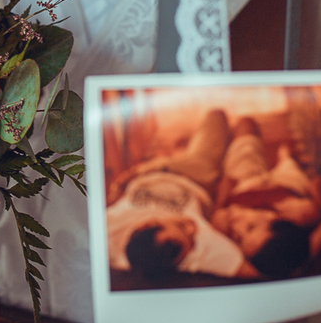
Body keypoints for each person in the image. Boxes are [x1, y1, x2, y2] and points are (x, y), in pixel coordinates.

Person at [106, 110, 260, 283]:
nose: (193, 228)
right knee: (235, 123)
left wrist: (119, 189)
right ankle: (181, 148)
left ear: (145, 225)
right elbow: (255, 277)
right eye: (191, 240)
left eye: (180, 225)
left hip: (152, 172)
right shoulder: (192, 255)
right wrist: (218, 206)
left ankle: (176, 149)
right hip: (197, 177)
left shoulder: (109, 232)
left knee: (216, 117)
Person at [212, 117, 321, 279]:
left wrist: (222, 201)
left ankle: (275, 157)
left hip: (245, 184)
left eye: (239, 239)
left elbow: (225, 186)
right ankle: (285, 159)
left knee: (246, 124)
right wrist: (317, 197)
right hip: (286, 184)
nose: (237, 227)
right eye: (250, 227)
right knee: (288, 158)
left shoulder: (224, 226)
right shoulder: (304, 215)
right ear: (277, 219)